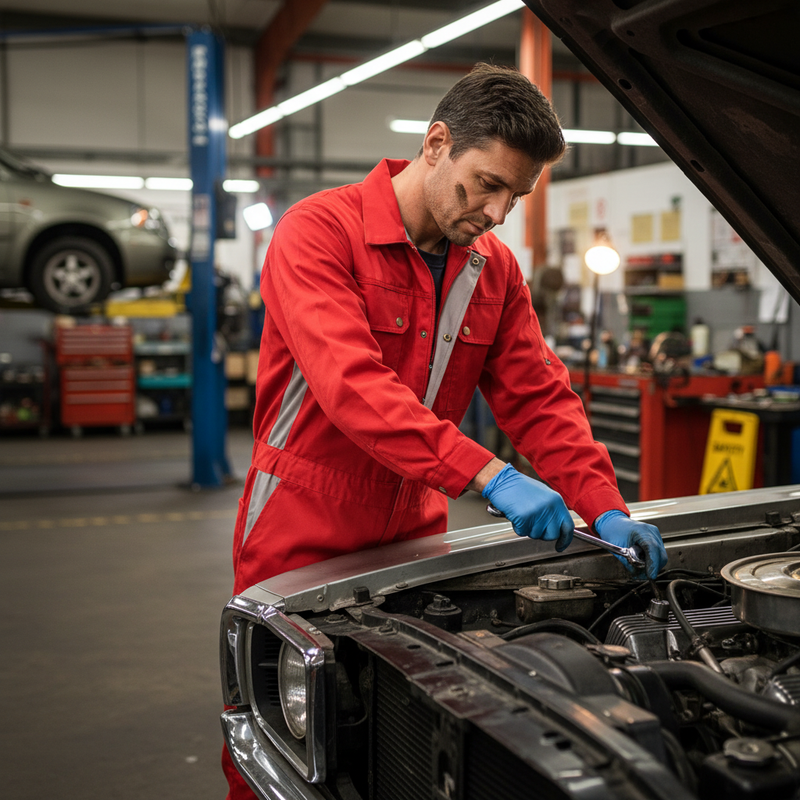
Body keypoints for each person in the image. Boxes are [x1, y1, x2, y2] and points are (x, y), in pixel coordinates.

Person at [223, 63, 667, 798]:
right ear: (435, 145)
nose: (496, 212)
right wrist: (491, 474)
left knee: (404, 741)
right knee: (286, 748)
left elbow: (540, 398)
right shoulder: (318, 233)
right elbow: (353, 389)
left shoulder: (492, 269)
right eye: (484, 185)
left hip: (416, 524)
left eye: (515, 197)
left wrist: (604, 504)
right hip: (303, 521)